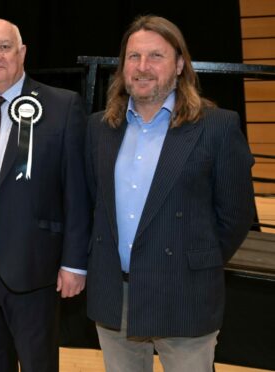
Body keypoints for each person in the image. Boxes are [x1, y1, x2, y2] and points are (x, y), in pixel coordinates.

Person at [85, 15, 255, 372]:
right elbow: (92, 203)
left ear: (180, 64)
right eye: (133, 57)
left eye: (155, 56)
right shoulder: (100, 128)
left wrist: (193, 260)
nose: (142, 67)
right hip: (117, 296)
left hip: (185, 294)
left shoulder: (217, 128)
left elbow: (235, 216)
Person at [0, 18, 90, 372]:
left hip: (34, 267)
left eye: (4, 47)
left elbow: (77, 190)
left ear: (22, 52)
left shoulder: (62, 107)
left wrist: (74, 262)